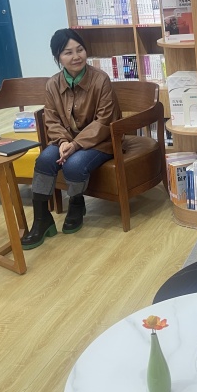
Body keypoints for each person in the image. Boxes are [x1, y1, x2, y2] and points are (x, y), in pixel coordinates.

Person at [20, 29, 120, 250]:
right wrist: (64, 141)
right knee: (44, 160)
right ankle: (41, 219)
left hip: (99, 141)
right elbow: (51, 119)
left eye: (80, 50)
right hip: (65, 141)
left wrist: (75, 144)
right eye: (68, 52)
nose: (76, 56)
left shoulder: (100, 80)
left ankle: (76, 203)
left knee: (74, 165)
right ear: (58, 57)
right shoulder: (52, 84)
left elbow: (104, 121)